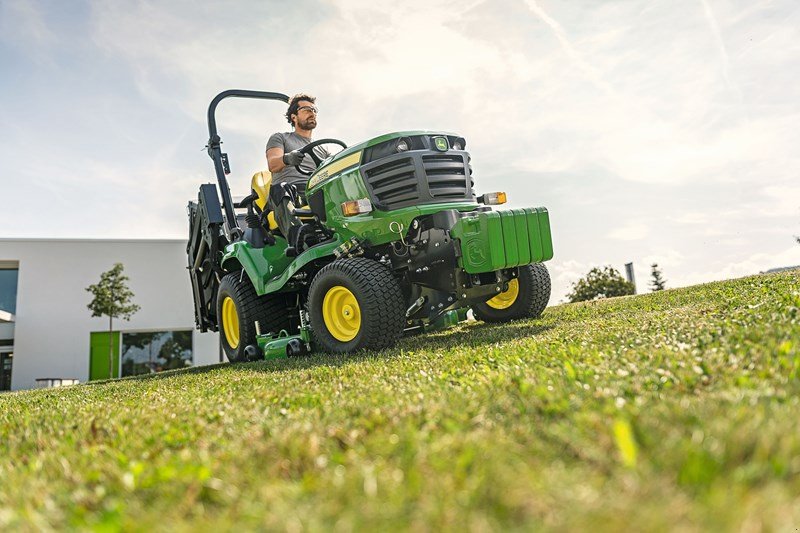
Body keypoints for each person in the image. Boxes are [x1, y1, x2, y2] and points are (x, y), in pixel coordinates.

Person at [265, 93, 330, 240]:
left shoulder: (323, 149)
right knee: (281, 188)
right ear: (294, 117)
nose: (312, 113)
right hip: (290, 192)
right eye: (307, 109)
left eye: (314, 110)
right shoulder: (281, 137)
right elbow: (273, 164)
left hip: (314, 191)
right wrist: (288, 158)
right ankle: (299, 239)